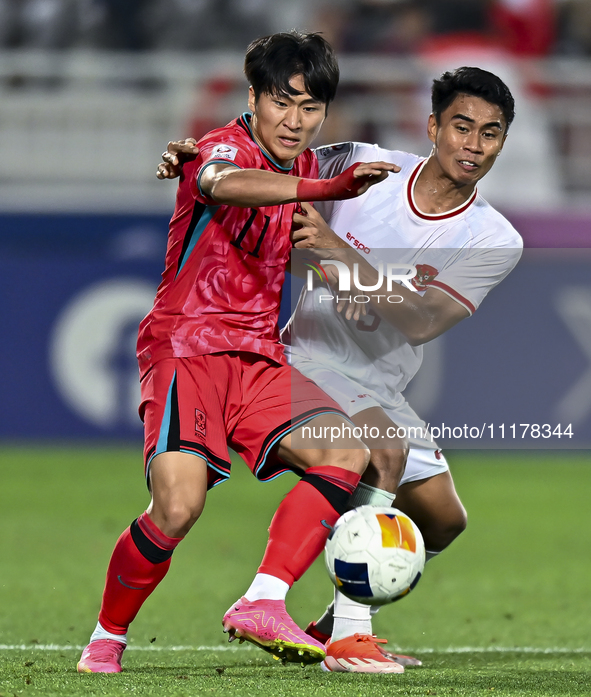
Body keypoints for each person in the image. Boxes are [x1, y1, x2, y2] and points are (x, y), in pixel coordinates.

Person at [157, 66, 523, 675]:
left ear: (502, 143)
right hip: (307, 354)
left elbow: (424, 319)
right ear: (432, 127)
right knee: (384, 451)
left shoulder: (495, 238)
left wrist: (342, 261)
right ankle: (351, 635)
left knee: (442, 519)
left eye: (490, 133)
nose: (473, 145)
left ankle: (332, 620)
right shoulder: (361, 165)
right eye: (461, 127)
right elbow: (268, 162)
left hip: (381, 380)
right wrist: (197, 160)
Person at [76, 30, 397, 675]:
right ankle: (106, 637)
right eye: (282, 102)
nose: (295, 121)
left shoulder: (308, 165)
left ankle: (263, 600)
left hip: (257, 354)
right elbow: (224, 185)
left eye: (310, 109)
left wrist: (342, 265)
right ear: (253, 96)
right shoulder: (220, 149)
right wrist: (328, 195)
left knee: (348, 451)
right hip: (187, 346)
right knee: (178, 506)